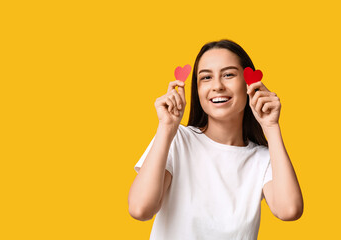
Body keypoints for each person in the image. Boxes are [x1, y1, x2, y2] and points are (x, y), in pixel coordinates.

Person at [128, 39, 303, 239]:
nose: (217, 86)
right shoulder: (177, 140)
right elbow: (140, 209)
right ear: (197, 89)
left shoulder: (263, 159)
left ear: (249, 84)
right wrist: (166, 128)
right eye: (206, 77)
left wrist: (271, 127)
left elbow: (289, 210)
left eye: (228, 75)